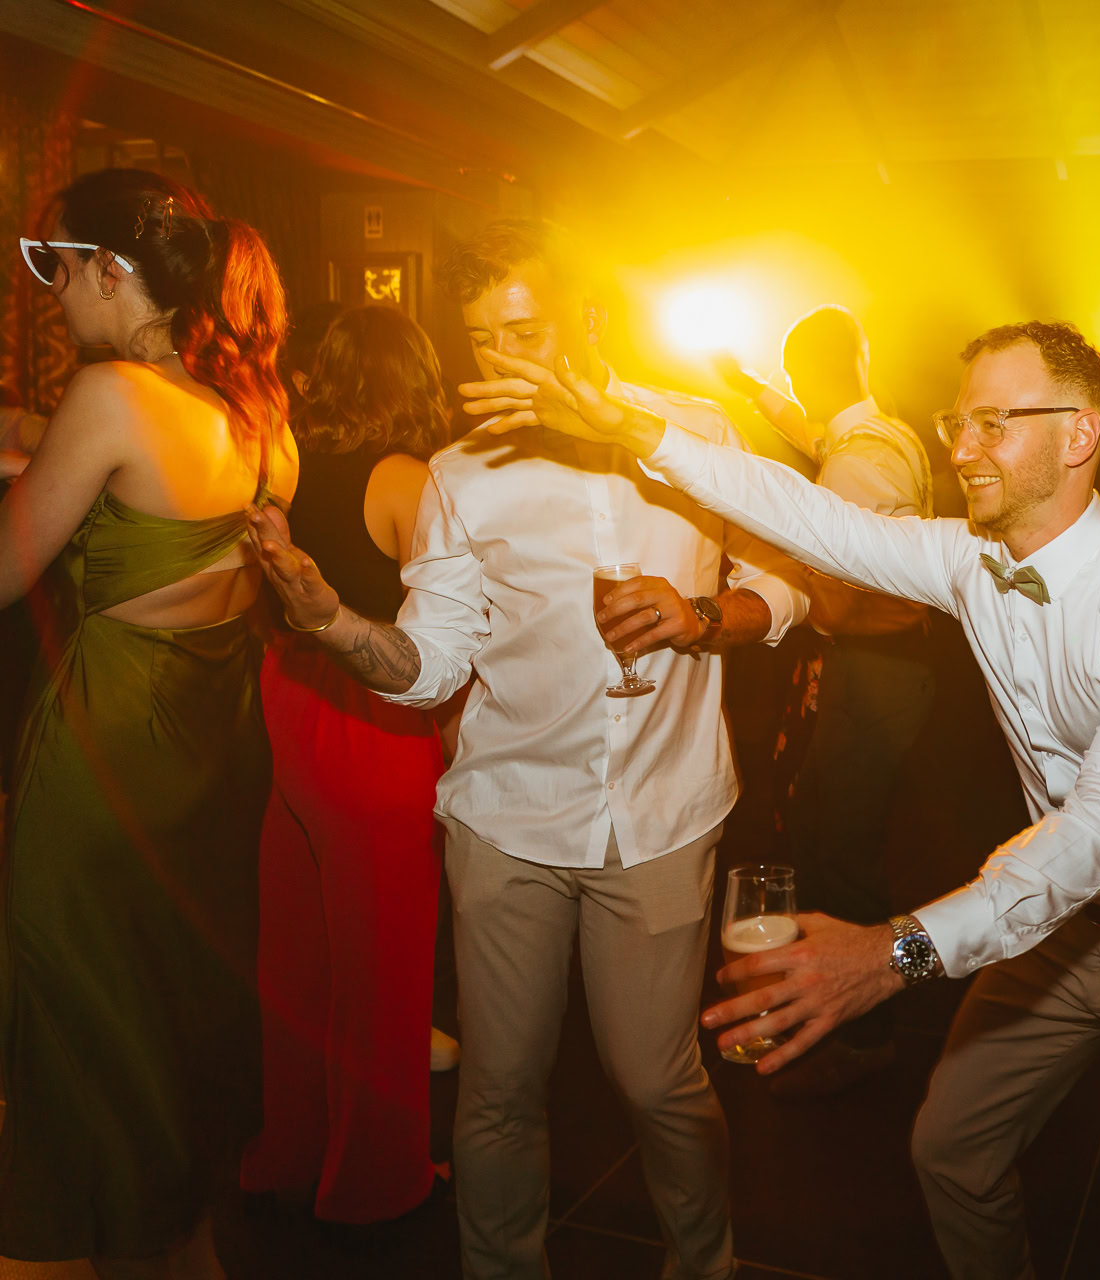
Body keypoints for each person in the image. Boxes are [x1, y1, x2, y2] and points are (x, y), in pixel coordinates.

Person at [483, 319, 1100, 1279]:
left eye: (996, 422)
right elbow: (816, 519)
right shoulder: (968, 560)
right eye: (961, 420)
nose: (962, 446)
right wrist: (639, 431)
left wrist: (893, 951)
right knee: (949, 1151)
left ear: (1079, 436)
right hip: (1060, 934)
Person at [245, 218, 808, 1280]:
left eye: (527, 331)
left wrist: (704, 612)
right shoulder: (463, 473)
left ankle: (707, 1261)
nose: (504, 362)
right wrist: (332, 622)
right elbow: (431, 663)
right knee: (499, 1088)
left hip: (663, 805)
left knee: (656, 1077)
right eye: (483, 341)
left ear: (588, 320)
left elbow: (788, 576)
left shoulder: (700, 433)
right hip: (506, 814)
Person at [0, 168, 300, 1277]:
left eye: (54, 263)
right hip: (206, 759)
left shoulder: (112, 397)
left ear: (112, 271)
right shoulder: (258, 417)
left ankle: (51, 1247)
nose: (47, 290)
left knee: (73, 1017)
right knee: (153, 1017)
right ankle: (171, 1238)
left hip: (101, 755)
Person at [239, 304, 450, 1224]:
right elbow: (442, 632)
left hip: (288, 700)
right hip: (373, 719)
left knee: (298, 956)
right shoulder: (406, 476)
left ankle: (288, 1156)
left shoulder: (289, 465)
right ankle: (373, 1182)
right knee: (385, 969)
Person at [719, 305, 936, 1096]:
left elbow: (843, 604)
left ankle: (864, 1027)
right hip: (893, 670)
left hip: (873, 671)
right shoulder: (887, 436)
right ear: (863, 358)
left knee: (839, 836)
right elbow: (821, 443)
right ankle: (866, 1007)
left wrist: (781, 575)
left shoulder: (852, 463)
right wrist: (754, 393)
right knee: (848, 825)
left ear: (807, 375)